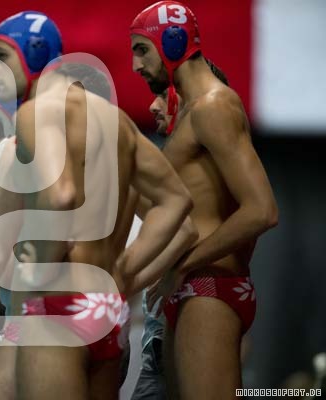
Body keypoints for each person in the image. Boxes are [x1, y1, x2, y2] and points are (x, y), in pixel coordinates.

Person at [0, 13, 199, 400]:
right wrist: (123, 273)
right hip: (107, 309)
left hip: (54, 306)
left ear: (33, 54)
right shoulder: (118, 122)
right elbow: (180, 209)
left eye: (0, 56)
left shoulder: (33, 116)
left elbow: (47, 206)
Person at [130, 2, 278, 398]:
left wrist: (184, 266)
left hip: (208, 287)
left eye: (142, 49)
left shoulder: (215, 106)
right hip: (190, 288)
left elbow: (262, 211)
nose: (135, 65)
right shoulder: (192, 115)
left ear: (173, 42)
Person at [131, 58, 230, 400]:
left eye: (162, 95)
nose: (151, 106)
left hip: (202, 295)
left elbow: (262, 211)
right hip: (180, 304)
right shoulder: (187, 168)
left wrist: (118, 284)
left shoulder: (211, 156)